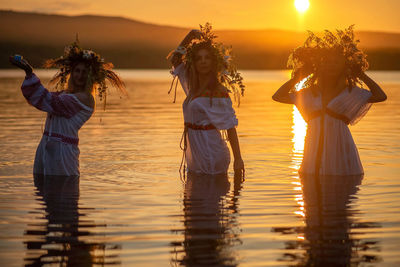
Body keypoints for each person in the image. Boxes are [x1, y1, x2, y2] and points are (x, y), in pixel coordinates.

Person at [272, 26, 387, 176]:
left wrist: (361, 75)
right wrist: (297, 78)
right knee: (312, 187)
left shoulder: (350, 93)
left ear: (343, 66)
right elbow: (278, 96)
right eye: (326, 62)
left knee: (342, 184)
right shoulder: (309, 94)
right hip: (313, 151)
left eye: (335, 62)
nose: (331, 65)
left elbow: (380, 96)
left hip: (340, 149)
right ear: (319, 66)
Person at [9, 41, 125, 181]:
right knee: (43, 194)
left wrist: (29, 72)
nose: (80, 75)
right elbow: (41, 100)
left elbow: (50, 102)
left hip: (62, 152)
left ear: (90, 76)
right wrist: (28, 75)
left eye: (85, 72)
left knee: (62, 195)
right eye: (77, 71)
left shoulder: (86, 99)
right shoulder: (65, 94)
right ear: (72, 73)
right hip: (46, 146)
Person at [168, 23, 245, 177]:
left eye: (207, 58)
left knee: (208, 197)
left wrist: (238, 160)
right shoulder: (191, 86)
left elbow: (230, 127)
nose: (203, 61)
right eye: (199, 58)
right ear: (194, 63)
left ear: (213, 62)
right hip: (195, 152)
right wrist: (189, 36)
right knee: (195, 198)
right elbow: (175, 59)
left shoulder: (218, 92)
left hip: (211, 152)